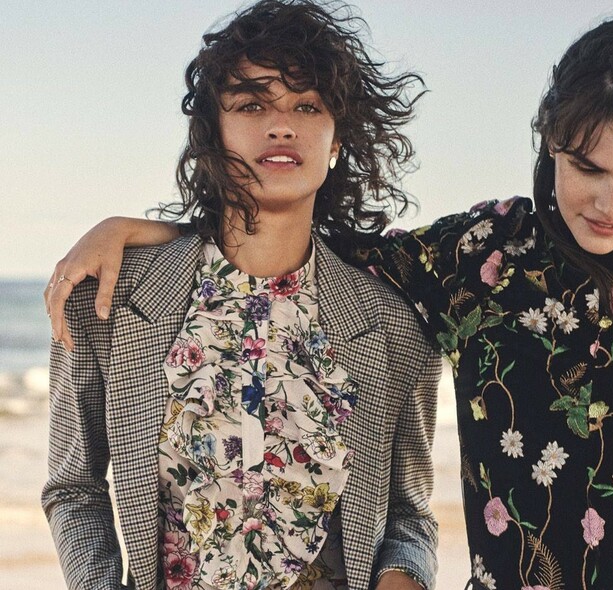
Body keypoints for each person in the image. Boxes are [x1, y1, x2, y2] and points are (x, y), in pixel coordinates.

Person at [46, 16, 613, 590]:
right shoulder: (479, 261)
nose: (610, 202)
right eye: (587, 166)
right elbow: (299, 238)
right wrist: (146, 231)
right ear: (549, 141)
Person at [41, 2, 441, 590]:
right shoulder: (106, 299)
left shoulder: (394, 327)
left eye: (307, 105)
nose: (282, 125)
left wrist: (404, 576)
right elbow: (74, 489)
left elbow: (410, 515)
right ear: (213, 131)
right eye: (252, 104)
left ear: (336, 141)